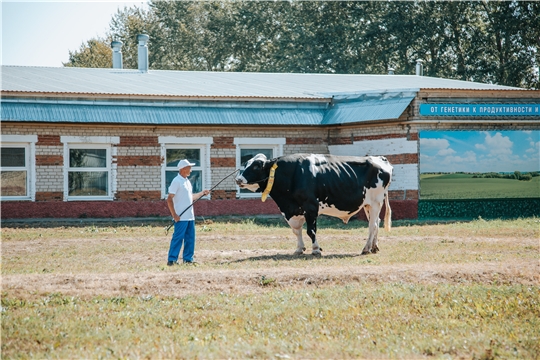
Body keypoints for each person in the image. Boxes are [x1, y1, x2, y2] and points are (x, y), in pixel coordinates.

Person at [166, 159, 210, 266]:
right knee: (178, 238)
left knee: (190, 239)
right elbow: (169, 199)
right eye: (189, 167)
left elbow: (190, 198)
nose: (191, 169)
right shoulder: (176, 181)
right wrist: (174, 215)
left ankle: (188, 259)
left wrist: (202, 193)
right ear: (183, 169)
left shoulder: (187, 181)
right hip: (180, 217)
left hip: (190, 216)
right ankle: (172, 260)